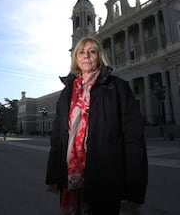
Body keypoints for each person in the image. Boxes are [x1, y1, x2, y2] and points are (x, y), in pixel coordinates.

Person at [45, 37, 148, 215]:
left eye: (92, 51)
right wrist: (53, 176)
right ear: (75, 58)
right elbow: (58, 138)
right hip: (70, 177)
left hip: (105, 177)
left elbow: (133, 140)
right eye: (81, 52)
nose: (86, 56)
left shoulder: (117, 88)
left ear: (99, 57)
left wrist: (134, 188)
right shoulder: (66, 93)